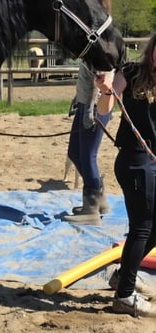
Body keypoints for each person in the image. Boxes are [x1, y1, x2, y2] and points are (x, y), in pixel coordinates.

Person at [95, 33, 156, 317]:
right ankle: (124, 296)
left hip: (152, 161)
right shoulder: (130, 72)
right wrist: (106, 90)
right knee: (142, 225)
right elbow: (105, 108)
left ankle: (123, 277)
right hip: (135, 161)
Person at [63, 62, 113, 225]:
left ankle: (91, 209)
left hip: (95, 106)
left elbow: (100, 79)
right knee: (74, 153)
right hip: (84, 103)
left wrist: (91, 109)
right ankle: (98, 195)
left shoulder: (100, 53)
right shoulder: (89, 50)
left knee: (88, 155)